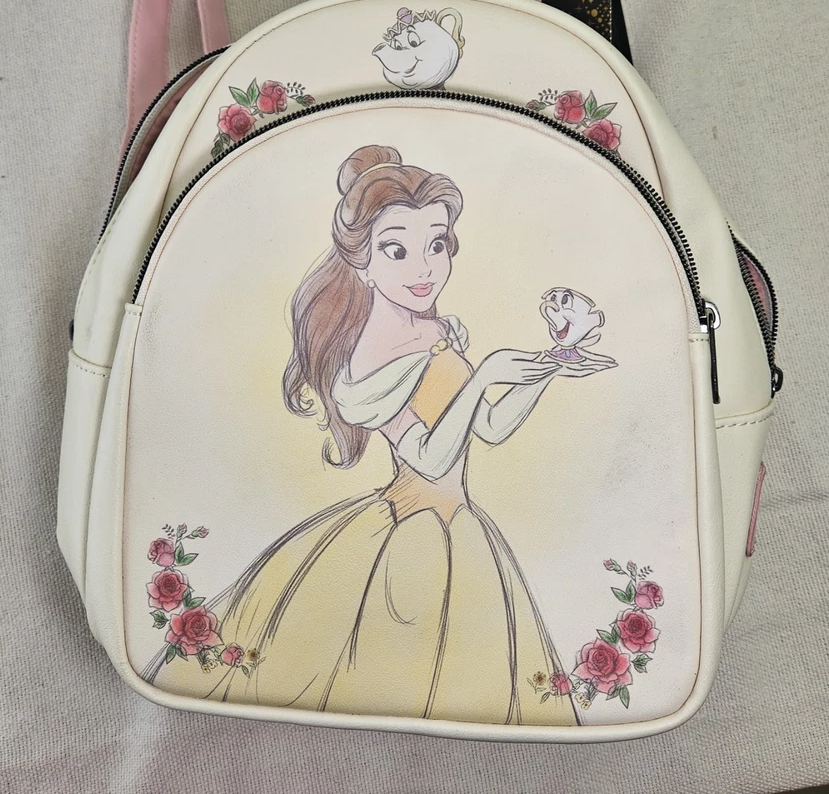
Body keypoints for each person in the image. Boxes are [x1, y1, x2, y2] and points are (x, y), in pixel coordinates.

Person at [146, 144, 614, 726]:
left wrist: (548, 366)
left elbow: (489, 428)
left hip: (460, 521)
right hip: (409, 529)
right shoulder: (366, 360)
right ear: (362, 264)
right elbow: (429, 457)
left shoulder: (437, 330)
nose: (424, 269)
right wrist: (486, 374)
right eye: (397, 251)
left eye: (436, 245)